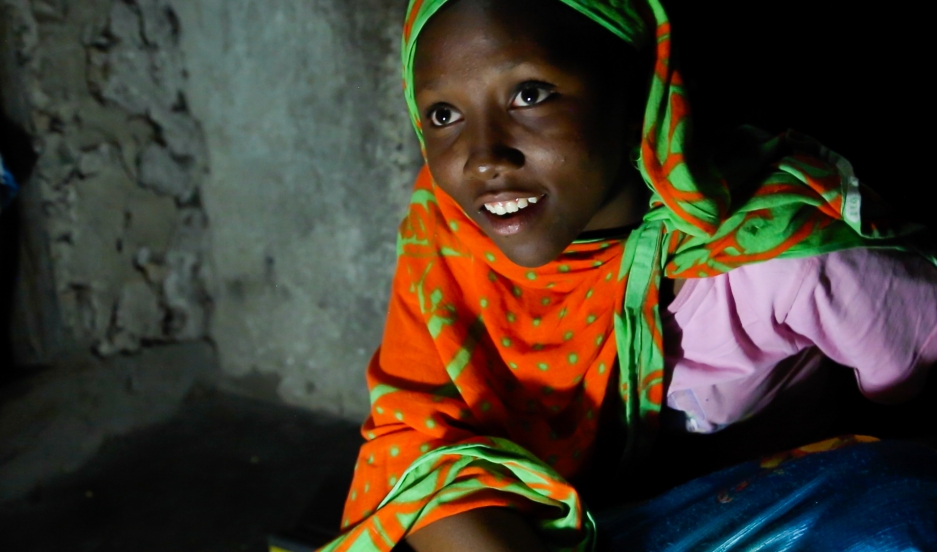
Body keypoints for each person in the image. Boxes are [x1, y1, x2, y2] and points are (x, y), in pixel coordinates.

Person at [316, 0, 937, 550]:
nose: (482, 159)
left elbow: (910, 433)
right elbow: (415, 451)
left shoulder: (785, 255)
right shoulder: (450, 233)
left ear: (641, 87)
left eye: (530, 94)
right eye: (443, 114)